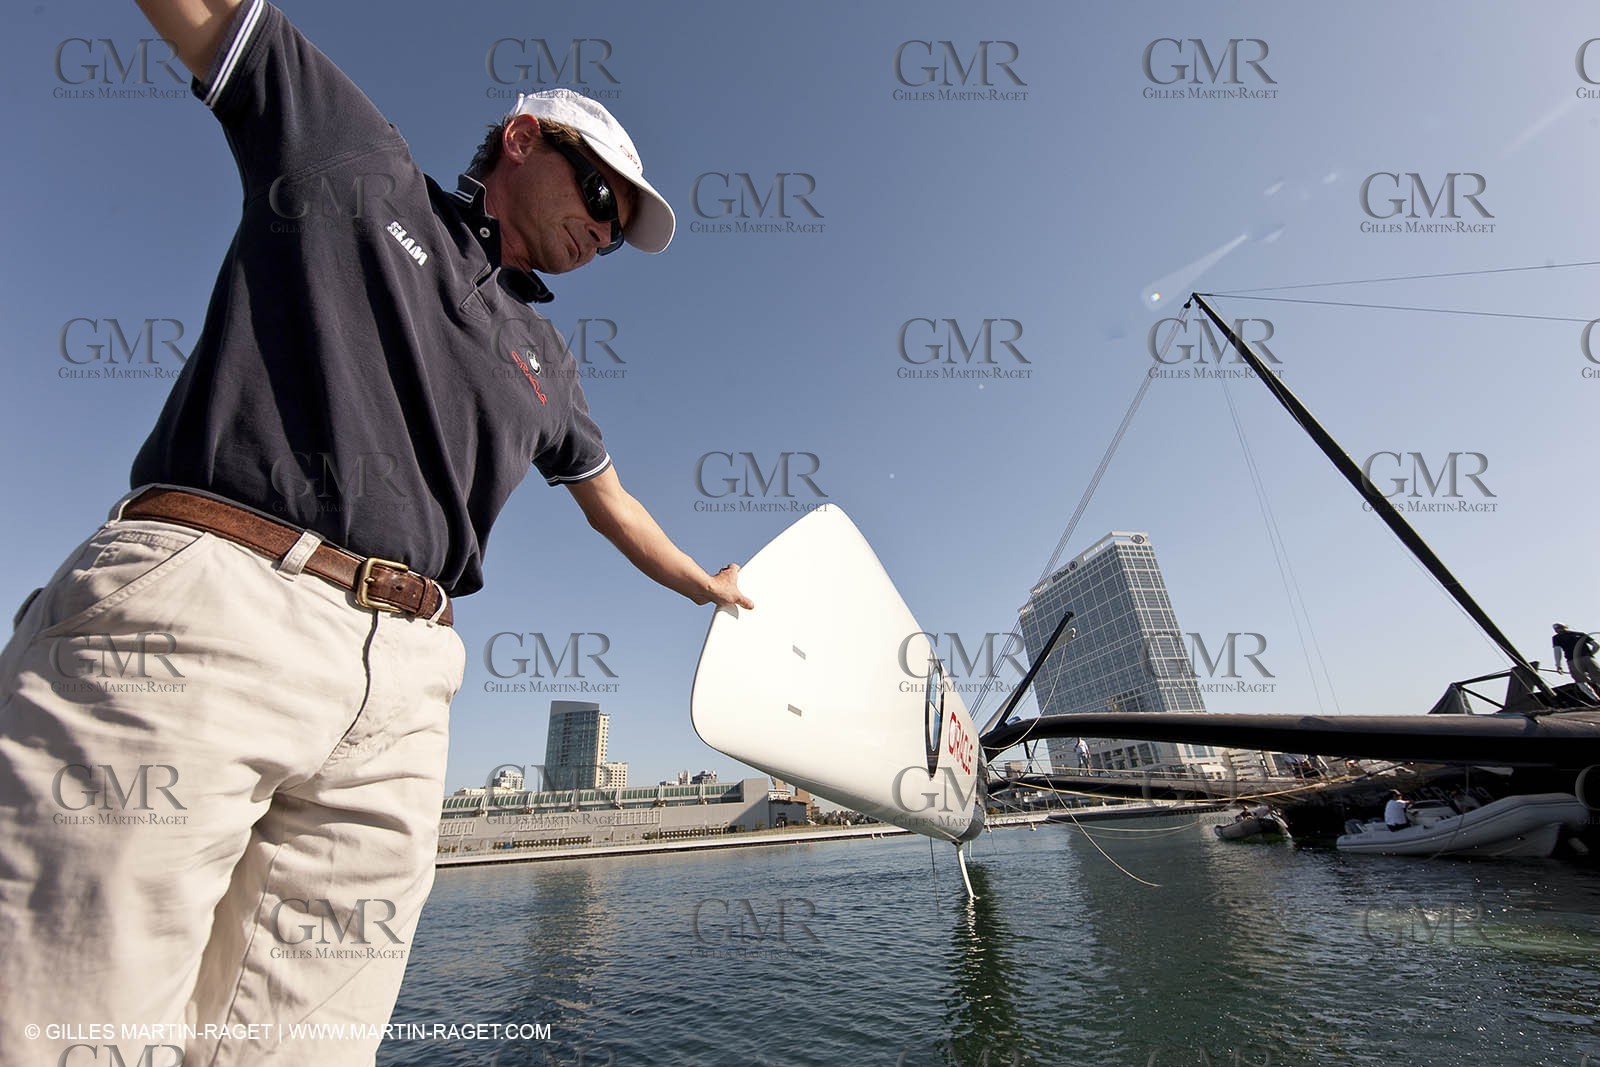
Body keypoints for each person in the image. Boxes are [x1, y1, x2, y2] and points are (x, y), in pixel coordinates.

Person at [0, 2, 750, 1065]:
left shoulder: (547, 360)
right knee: (69, 1022)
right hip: (214, 609)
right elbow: (210, 18)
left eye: (619, 229)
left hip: (405, 695)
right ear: (522, 139)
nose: (603, 231)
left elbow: (614, 503)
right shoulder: (359, 162)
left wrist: (705, 585)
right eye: (598, 196)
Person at [1552, 623, 1600, 702]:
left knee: (1581, 682)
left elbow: (1557, 651)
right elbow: (1596, 645)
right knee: (1598, 678)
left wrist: (1558, 665)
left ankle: (1596, 699)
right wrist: (1590, 654)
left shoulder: (1557, 638)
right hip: (1588, 659)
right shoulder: (1580, 634)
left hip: (1573, 661)